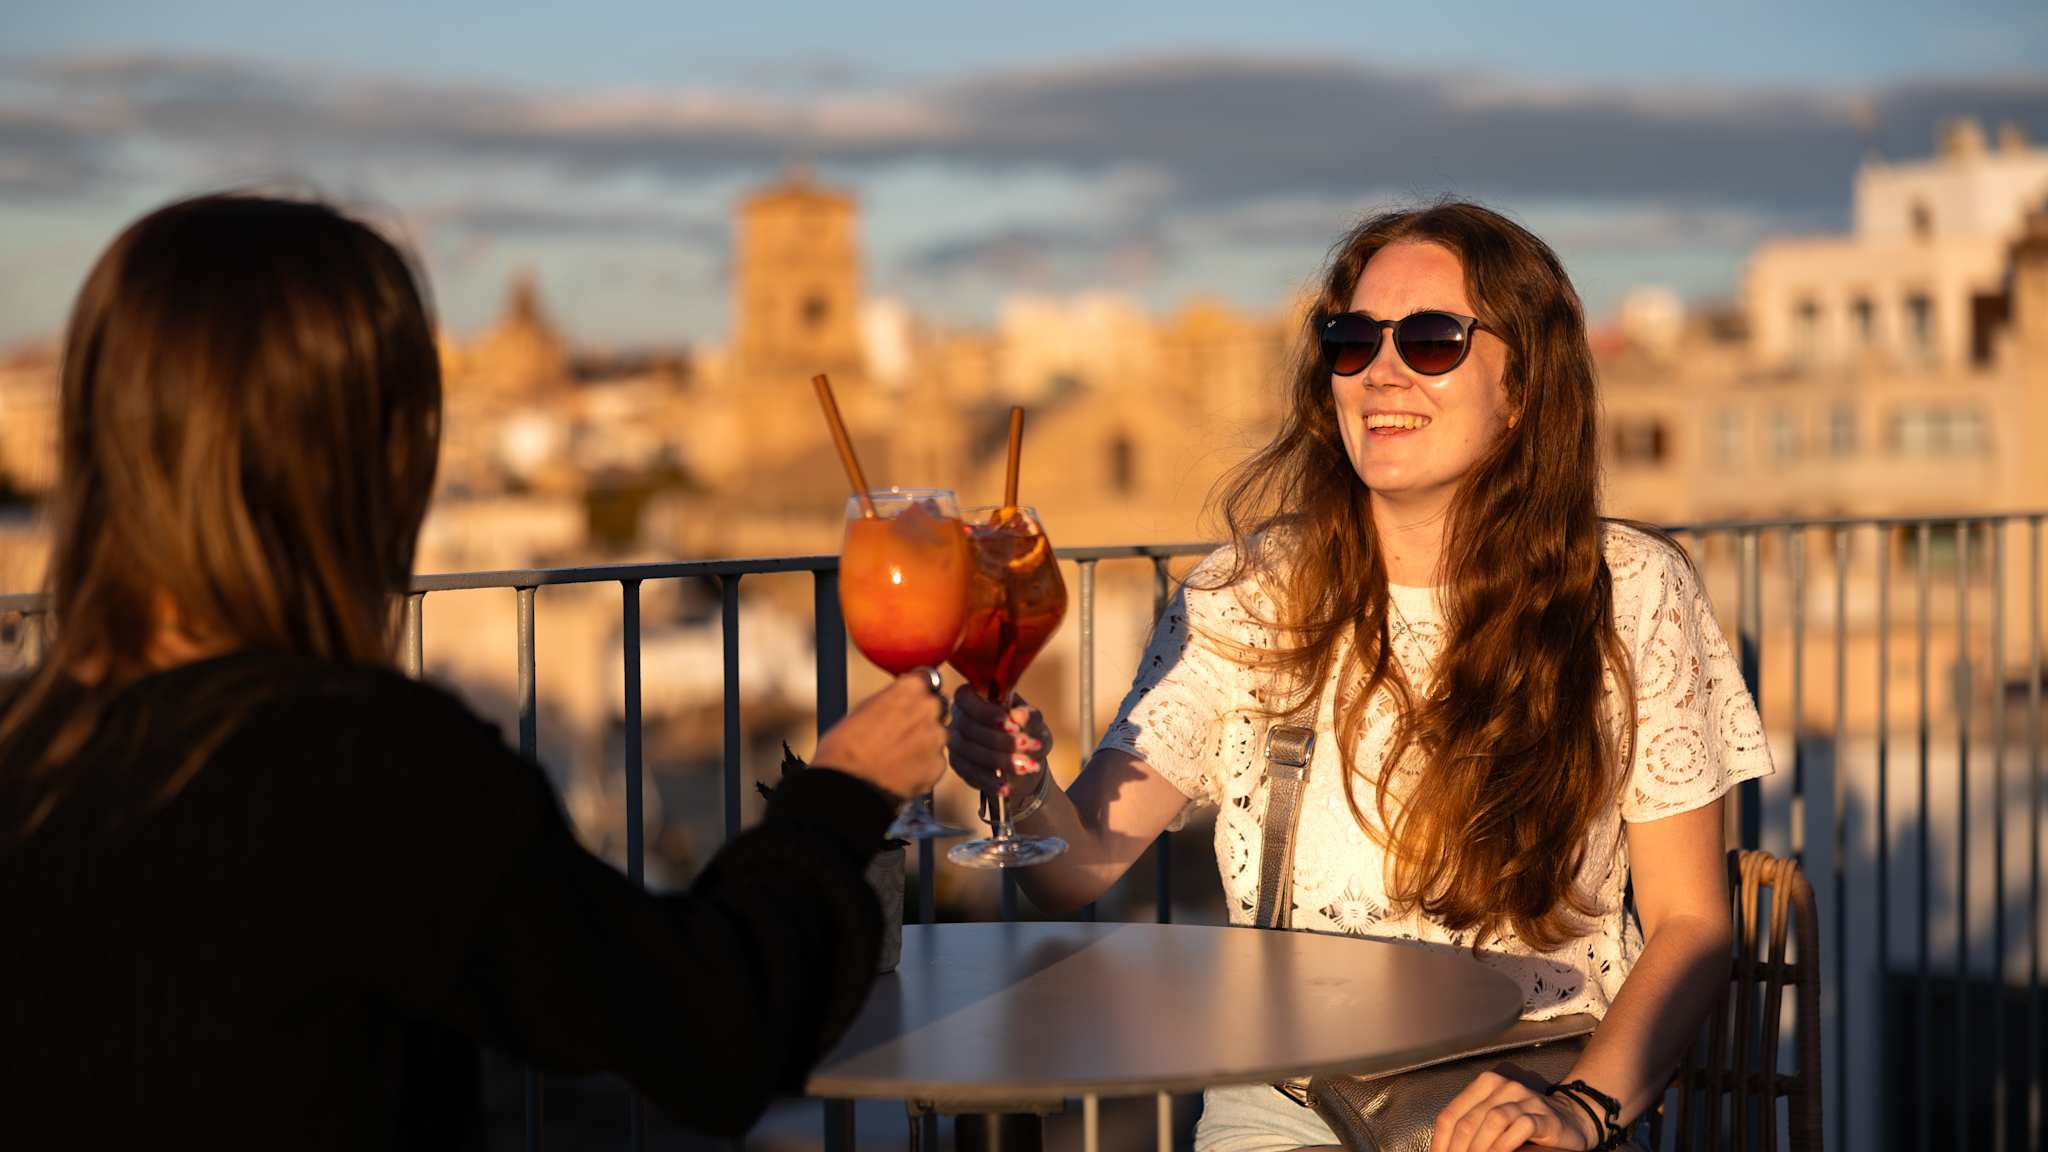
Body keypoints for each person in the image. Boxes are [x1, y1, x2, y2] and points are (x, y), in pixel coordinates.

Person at [0, 194, 948, 1149]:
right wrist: (841, 795)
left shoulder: (26, 736)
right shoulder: (370, 768)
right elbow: (712, 1026)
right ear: (365, 461)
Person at [949, 202, 1772, 1152]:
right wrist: (1017, 784)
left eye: (1431, 340)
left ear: (1524, 391)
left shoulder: (1629, 591)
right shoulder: (1248, 594)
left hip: (1527, 1089)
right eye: (1351, 340)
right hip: (1293, 1103)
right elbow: (1080, 865)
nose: (1381, 370)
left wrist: (1580, 1111)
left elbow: (1688, 923)